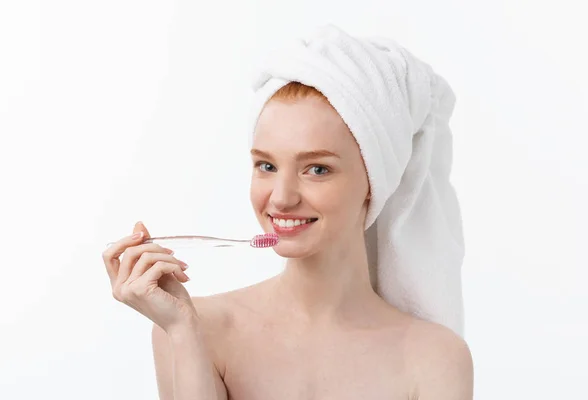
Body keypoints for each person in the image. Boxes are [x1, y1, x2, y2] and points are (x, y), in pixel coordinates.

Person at [102, 30, 473, 399]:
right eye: (266, 166)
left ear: (375, 182)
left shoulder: (434, 358)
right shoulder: (195, 327)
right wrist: (182, 332)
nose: (281, 198)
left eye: (317, 169)